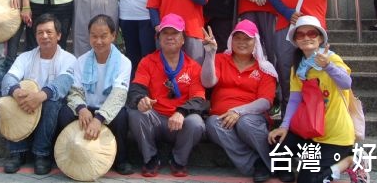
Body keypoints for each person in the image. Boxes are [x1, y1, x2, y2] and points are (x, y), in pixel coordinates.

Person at [267, 16, 362, 183]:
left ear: (320, 38)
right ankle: (295, 170)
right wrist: (284, 126)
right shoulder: (298, 66)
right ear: (295, 40)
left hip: (336, 137)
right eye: (300, 35)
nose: (306, 38)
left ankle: (349, 161)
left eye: (311, 33)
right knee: (277, 143)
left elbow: (346, 83)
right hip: (310, 132)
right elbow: (295, 100)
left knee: (308, 181)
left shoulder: (331, 59)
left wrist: (328, 66)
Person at [127, 13, 207, 178]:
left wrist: (181, 112)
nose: (170, 37)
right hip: (155, 118)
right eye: (165, 33)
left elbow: (199, 100)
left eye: (175, 33)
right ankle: (151, 158)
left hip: (180, 122)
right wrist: (140, 99)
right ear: (158, 38)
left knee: (196, 123)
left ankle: (178, 160)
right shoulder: (148, 61)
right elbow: (136, 88)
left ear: (183, 39)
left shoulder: (193, 67)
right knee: (135, 113)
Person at [201, 20, 277, 183]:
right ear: (231, 40)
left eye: (247, 39)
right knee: (213, 124)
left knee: (245, 123)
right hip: (220, 116)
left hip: (251, 116)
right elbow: (208, 82)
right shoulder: (221, 59)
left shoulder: (264, 67)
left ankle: (274, 164)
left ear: (255, 42)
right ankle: (257, 163)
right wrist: (210, 54)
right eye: (238, 38)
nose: (242, 42)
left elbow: (265, 101)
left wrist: (238, 111)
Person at [2, 14, 77, 175]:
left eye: (49, 32)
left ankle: (41, 155)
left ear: (59, 35)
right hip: (25, 107)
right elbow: (8, 78)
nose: (44, 36)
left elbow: (64, 82)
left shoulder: (69, 59)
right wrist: (16, 92)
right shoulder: (25, 57)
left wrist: (40, 96)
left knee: (51, 102)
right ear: (35, 36)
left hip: (52, 111)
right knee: (10, 97)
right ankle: (17, 152)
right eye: (40, 32)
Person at [58, 15, 134, 175]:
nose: (98, 41)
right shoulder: (81, 60)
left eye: (103, 36)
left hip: (108, 111)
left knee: (122, 116)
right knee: (64, 113)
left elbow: (118, 96)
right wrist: (81, 109)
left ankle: (121, 159)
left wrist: (99, 119)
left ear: (113, 36)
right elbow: (75, 91)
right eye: (94, 36)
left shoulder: (124, 62)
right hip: (87, 109)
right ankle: (67, 155)